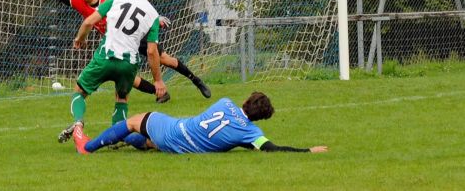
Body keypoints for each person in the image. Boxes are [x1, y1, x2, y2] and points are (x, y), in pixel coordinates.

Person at [53, 0, 211, 104]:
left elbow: (137, 5)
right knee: (130, 78)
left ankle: (196, 80)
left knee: (164, 59)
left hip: (136, 37)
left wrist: (157, 18)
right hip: (118, 45)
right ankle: (161, 93)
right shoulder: (81, 4)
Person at [59, 0, 167, 153]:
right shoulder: (152, 13)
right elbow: (152, 51)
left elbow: (88, 22)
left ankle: (78, 125)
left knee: (80, 91)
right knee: (122, 98)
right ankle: (119, 139)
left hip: (106, 57)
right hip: (128, 64)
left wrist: (79, 40)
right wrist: (158, 80)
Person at [74, 92, 329, 155]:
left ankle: (89, 147)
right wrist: (307, 150)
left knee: (133, 121)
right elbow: (270, 149)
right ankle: (113, 143)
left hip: (176, 130)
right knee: (150, 142)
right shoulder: (251, 133)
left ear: (246, 101)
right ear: (260, 118)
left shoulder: (226, 101)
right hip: (181, 148)